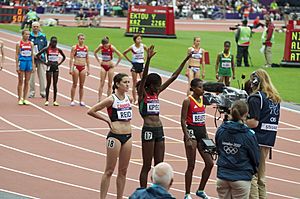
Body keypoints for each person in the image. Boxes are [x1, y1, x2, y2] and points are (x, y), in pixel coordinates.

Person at [138, 45, 191, 188]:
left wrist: (186, 59)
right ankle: (144, 192)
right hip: (148, 130)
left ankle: (158, 192)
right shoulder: (143, 95)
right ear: (150, 85)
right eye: (157, 85)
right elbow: (143, 78)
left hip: (159, 130)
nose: (159, 87)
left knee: (159, 166)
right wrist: (148, 59)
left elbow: (173, 76)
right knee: (147, 165)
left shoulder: (156, 93)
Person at [87, 73, 132, 199]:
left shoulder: (129, 99)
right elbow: (91, 111)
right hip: (115, 137)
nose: (128, 85)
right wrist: (107, 120)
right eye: (125, 82)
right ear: (117, 84)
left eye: (129, 82)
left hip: (128, 136)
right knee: (109, 170)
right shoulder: (111, 99)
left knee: (123, 171)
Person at [246, 69, 281, 199]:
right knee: (261, 176)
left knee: (252, 175)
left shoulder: (256, 98)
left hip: (256, 139)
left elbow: (254, 123)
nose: (250, 83)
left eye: (251, 80)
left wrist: (238, 119)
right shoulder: (275, 98)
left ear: (256, 81)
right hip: (268, 139)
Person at [215, 100, 260, 199]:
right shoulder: (248, 135)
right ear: (246, 114)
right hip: (241, 177)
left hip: (222, 176)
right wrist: (253, 170)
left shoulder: (221, 130)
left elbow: (218, 149)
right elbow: (255, 157)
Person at [180, 78, 214, 199]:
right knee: (191, 164)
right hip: (191, 132)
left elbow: (202, 120)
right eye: (200, 87)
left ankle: (200, 190)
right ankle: (187, 193)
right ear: (193, 88)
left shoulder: (202, 101)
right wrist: (187, 137)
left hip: (201, 133)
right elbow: (183, 120)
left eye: (203, 87)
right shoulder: (187, 101)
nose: (202, 89)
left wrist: (207, 137)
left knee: (210, 163)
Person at [36, 36, 66, 106]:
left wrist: (59, 63)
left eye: (56, 42)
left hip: (55, 67)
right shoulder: (47, 49)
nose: (54, 43)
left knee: (55, 84)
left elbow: (64, 57)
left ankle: (55, 100)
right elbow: (38, 55)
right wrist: (45, 63)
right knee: (48, 84)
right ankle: (46, 100)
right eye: (53, 42)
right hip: (49, 67)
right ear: (51, 42)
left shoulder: (58, 50)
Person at [94, 37, 123, 102]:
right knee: (102, 82)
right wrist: (99, 61)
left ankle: (108, 99)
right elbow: (95, 52)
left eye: (106, 45)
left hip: (110, 67)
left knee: (110, 84)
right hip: (103, 66)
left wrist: (116, 64)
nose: (105, 46)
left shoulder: (112, 47)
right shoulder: (101, 46)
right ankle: (99, 99)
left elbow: (120, 55)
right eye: (104, 45)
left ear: (108, 43)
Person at [123, 34, 148, 104]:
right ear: (135, 40)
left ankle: (144, 97)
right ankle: (135, 99)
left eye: (140, 39)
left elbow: (149, 52)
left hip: (141, 65)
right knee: (134, 83)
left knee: (144, 82)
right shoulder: (132, 47)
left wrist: (145, 59)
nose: (139, 40)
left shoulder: (143, 46)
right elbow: (124, 53)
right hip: (135, 65)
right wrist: (130, 61)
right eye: (138, 39)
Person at [69, 33, 90, 106]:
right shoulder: (75, 47)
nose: (82, 40)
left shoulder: (86, 48)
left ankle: (81, 100)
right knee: (74, 84)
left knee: (82, 85)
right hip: (76, 66)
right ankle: (72, 100)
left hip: (83, 67)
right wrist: (70, 68)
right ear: (78, 39)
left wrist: (88, 69)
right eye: (81, 39)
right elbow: (71, 58)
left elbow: (87, 58)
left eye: (83, 39)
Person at [29, 22, 47, 98]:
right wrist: (32, 54)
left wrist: (41, 54)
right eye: (34, 26)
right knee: (31, 77)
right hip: (31, 59)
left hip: (41, 58)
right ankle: (32, 92)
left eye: (37, 26)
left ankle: (43, 92)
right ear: (32, 27)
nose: (35, 28)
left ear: (39, 27)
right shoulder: (29, 36)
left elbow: (46, 47)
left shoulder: (43, 36)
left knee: (42, 76)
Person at [15, 30, 34, 105]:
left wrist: (33, 64)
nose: (28, 36)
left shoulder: (31, 43)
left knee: (27, 81)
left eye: (29, 35)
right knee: (20, 81)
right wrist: (17, 65)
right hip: (22, 62)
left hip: (28, 62)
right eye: (26, 34)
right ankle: (19, 98)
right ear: (23, 35)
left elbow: (32, 54)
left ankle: (25, 98)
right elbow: (16, 54)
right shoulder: (19, 43)